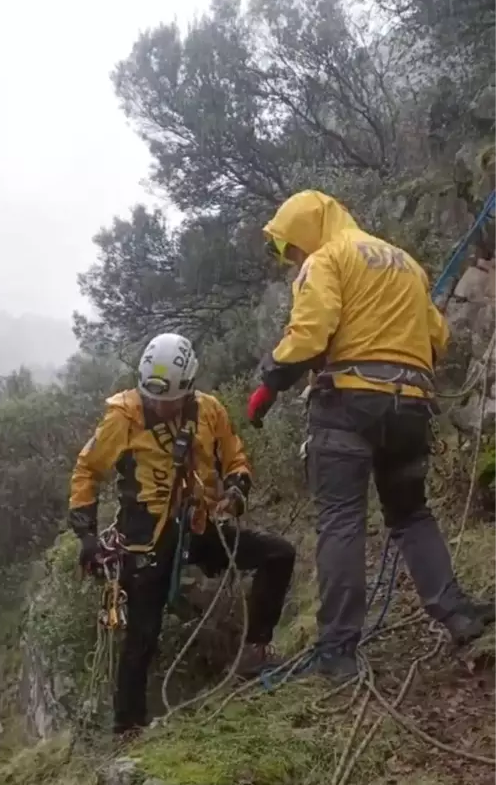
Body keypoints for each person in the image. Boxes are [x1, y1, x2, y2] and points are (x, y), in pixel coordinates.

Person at [248, 190, 495, 679]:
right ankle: (458, 613)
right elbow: (438, 339)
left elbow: (312, 333)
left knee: (342, 520)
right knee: (410, 513)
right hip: (411, 407)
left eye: (288, 249)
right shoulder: (404, 262)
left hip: (347, 404)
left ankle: (337, 650)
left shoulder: (326, 260)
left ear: (304, 232)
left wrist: (268, 382)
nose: (291, 260)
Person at [69, 332, 296, 734]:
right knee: (142, 634)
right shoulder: (124, 416)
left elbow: (235, 457)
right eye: (153, 397)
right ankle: (128, 727)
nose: (159, 405)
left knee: (278, 554)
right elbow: (89, 470)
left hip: (198, 527)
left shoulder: (209, 411)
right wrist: (86, 534)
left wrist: (238, 488)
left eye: (169, 398)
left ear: (189, 386)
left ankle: (254, 651)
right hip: (146, 539)